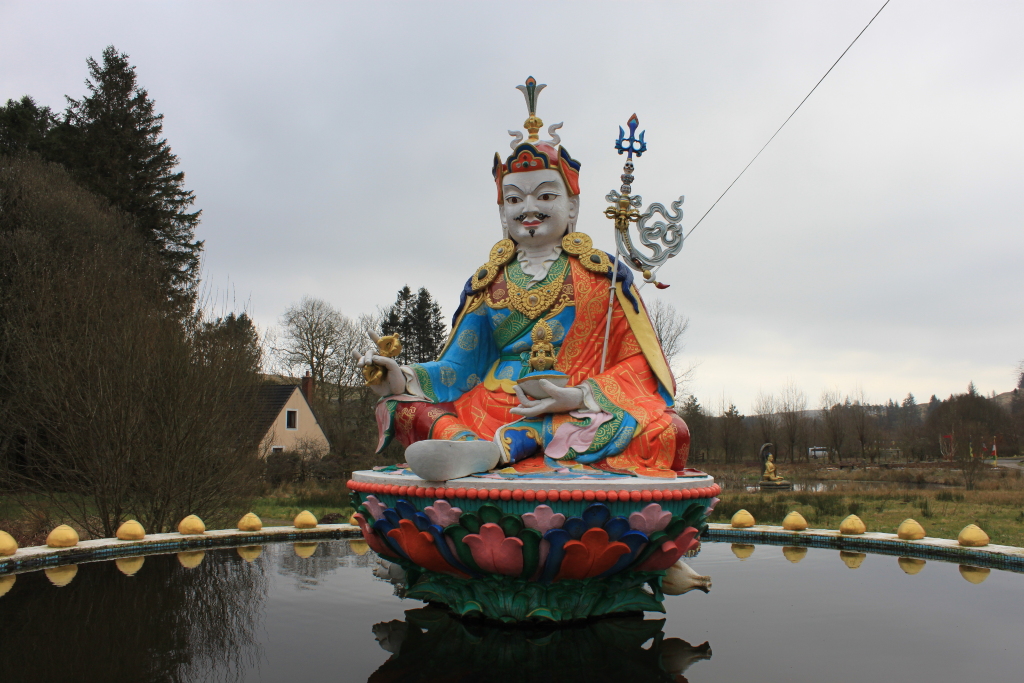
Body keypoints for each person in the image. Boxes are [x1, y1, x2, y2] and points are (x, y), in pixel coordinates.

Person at [356, 82, 689, 481]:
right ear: (502, 213)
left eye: (545, 196)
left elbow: (639, 364)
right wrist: (403, 377)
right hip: (493, 406)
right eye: (514, 200)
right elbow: (459, 367)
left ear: (572, 206)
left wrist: (581, 394)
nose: (528, 209)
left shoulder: (602, 278)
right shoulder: (489, 281)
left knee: (668, 430)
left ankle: (498, 448)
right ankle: (474, 445)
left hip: (572, 408)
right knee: (399, 406)